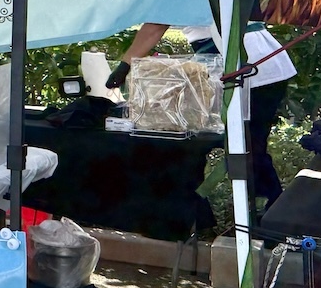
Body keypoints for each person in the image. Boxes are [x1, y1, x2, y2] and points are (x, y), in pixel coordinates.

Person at [107, 20, 296, 202]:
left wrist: (125, 65)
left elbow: (157, 25)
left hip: (244, 63)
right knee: (248, 146)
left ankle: (264, 212)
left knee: (235, 146)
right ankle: (263, 211)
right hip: (260, 60)